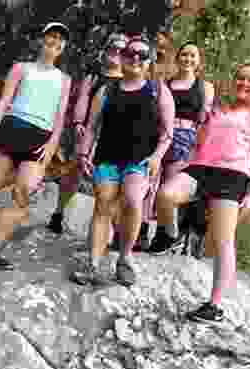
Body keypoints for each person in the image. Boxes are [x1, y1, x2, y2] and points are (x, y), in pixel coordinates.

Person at [155, 63, 250, 323]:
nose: (244, 83)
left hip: (232, 177)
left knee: (223, 240)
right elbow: (200, 140)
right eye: (241, 78)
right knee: (165, 195)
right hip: (201, 168)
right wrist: (189, 160)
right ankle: (172, 236)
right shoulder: (218, 108)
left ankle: (215, 305)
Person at [0, 22, 72, 270]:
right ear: (41, 39)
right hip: (12, 129)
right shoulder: (21, 68)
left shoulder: (64, 80)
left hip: (40, 137)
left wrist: (52, 145)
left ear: (63, 47)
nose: (55, 40)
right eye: (51, 35)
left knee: (24, 193)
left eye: (60, 38)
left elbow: (60, 116)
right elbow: (5, 101)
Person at [70, 35, 175, 286]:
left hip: (140, 159)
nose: (135, 58)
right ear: (123, 58)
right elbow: (93, 126)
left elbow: (168, 132)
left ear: (149, 62)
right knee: (103, 204)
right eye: (130, 54)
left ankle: (125, 259)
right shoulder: (108, 89)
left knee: (133, 199)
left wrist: (157, 157)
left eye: (141, 55)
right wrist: (84, 153)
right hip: (107, 157)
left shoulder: (158, 90)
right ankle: (93, 264)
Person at [47, 33, 127, 249]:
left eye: (121, 49)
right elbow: (82, 97)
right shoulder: (94, 76)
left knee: (111, 183)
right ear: (106, 49)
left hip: (114, 136)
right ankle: (58, 213)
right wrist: (78, 123)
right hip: (88, 132)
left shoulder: (128, 79)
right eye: (113, 47)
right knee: (73, 172)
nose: (116, 52)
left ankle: (117, 232)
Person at [144, 42, 215, 253]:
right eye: (184, 55)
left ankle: (165, 235)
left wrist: (200, 150)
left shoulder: (205, 87)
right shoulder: (166, 84)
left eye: (193, 55)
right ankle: (141, 231)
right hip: (161, 136)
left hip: (186, 139)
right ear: (178, 58)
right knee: (149, 186)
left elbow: (206, 122)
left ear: (198, 61)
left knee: (169, 189)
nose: (188, 59)